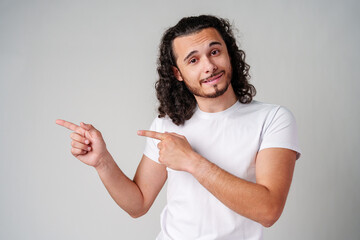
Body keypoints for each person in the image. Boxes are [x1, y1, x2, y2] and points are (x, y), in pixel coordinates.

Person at [56, 15, 301, 240]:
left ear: (230, 54)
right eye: (193, 60)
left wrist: (191, 161)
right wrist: (102, 162)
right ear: (178, 73)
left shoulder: (273, 119)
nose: (209, 66)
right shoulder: (167, 125)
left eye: (215, 52)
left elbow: (269, 210)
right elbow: (138, 204)